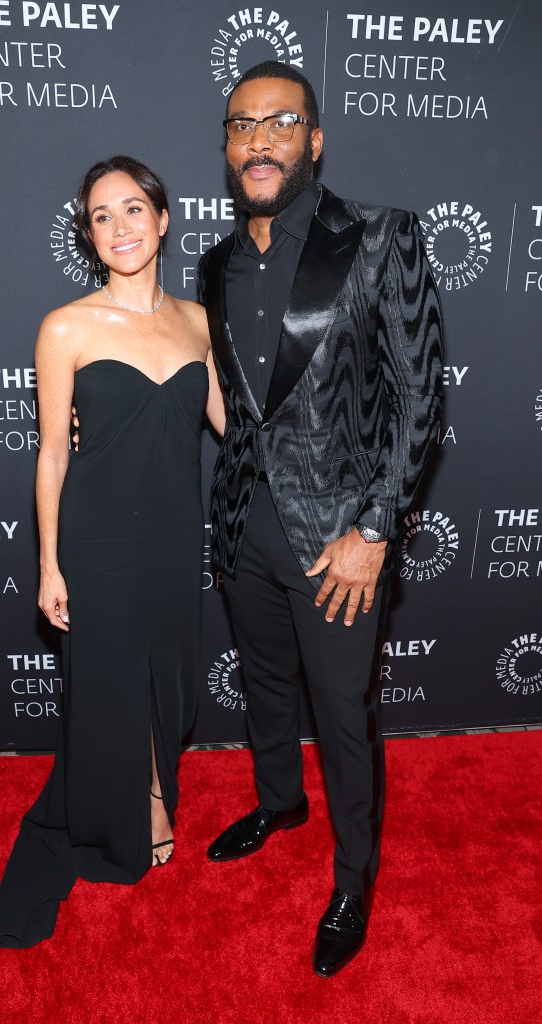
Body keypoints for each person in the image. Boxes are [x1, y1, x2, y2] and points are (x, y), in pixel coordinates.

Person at [198, 62, 443, 977]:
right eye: (240, 125)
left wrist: (375, 529)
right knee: (265, 684)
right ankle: (276, 801)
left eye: (280, 122)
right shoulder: (218, 261)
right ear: (226, 147)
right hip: (244, 522)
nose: (258, 139)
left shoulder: (380, 238)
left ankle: (353, 878)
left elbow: (420, 391)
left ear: (314, 138)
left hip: (341, 535)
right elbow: (231, 396)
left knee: (340, 712)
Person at [0, 155, 225, 948]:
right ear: (87, 236)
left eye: (132, 210)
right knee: (111, 682)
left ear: (162, 219)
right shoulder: (67, 326)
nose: (119, 227)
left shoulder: (197, 321)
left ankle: (151, 783)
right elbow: (52, 452)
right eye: (100, 216)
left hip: (172, 531)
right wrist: (49, 563)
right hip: (96, 538)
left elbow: (238, 429)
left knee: (174, 679)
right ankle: (145, 805)